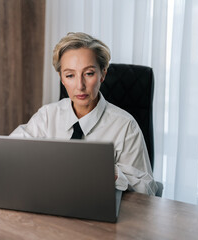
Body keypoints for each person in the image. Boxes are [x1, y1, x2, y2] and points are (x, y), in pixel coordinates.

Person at [10, 32, 158, 196]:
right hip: (51, 202)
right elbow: (9, 153)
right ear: (61, 78)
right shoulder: (47, 116)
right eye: (70, 75)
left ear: (103, 74)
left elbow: (147, 190)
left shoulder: (125, 126)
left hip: (101, 210)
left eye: (88, 73)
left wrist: (107, 171)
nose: (79, 85)